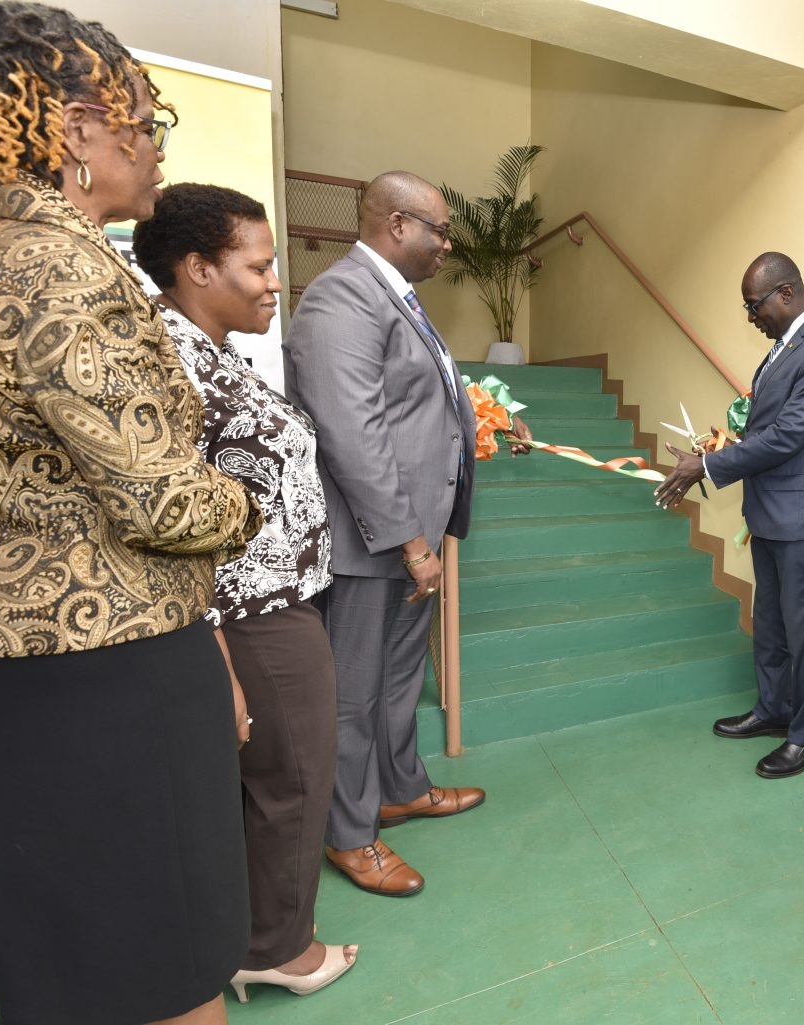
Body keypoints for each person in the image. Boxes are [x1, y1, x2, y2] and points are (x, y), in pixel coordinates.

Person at [0, 4, 264, 1023]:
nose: (160, 148)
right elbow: (161, 495)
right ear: (77, 129)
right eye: (146, 120)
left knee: (68, 955)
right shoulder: (59, 264)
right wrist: (250, 503)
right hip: (112, 673)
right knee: (164, 963)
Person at [131, 184, 357, 1000]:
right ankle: (279, 948)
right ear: (197, 267)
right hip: (252, 615)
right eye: (258, 266)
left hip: (273, 605)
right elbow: (171, 520)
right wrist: (217, 647)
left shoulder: (208, 350)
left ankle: (255, 933)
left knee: (272, 779)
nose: (273, 283)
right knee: (293, 779)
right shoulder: (171, 359)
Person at [284, 171, 519, 897]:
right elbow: (353, 432)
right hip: (371, 543)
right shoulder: (340, 297)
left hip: (406, 533)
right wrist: (411, 542)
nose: (449, 244)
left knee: (397, 680)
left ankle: (400, 788)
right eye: (439, 231)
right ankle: (350, 834)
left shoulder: (399, 299)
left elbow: (419, 398)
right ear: (394, 225)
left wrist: (480, 417)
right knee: (352, 695)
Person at [654, 253, 804, 779]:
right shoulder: (781, 349)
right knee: (770, 620)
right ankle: (773, 710)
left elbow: (790, 435)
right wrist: (720, 448)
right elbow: (770, 428)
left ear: (785, 293)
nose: (751, 317)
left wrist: (710, 466)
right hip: (770, 510)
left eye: (754, 305)